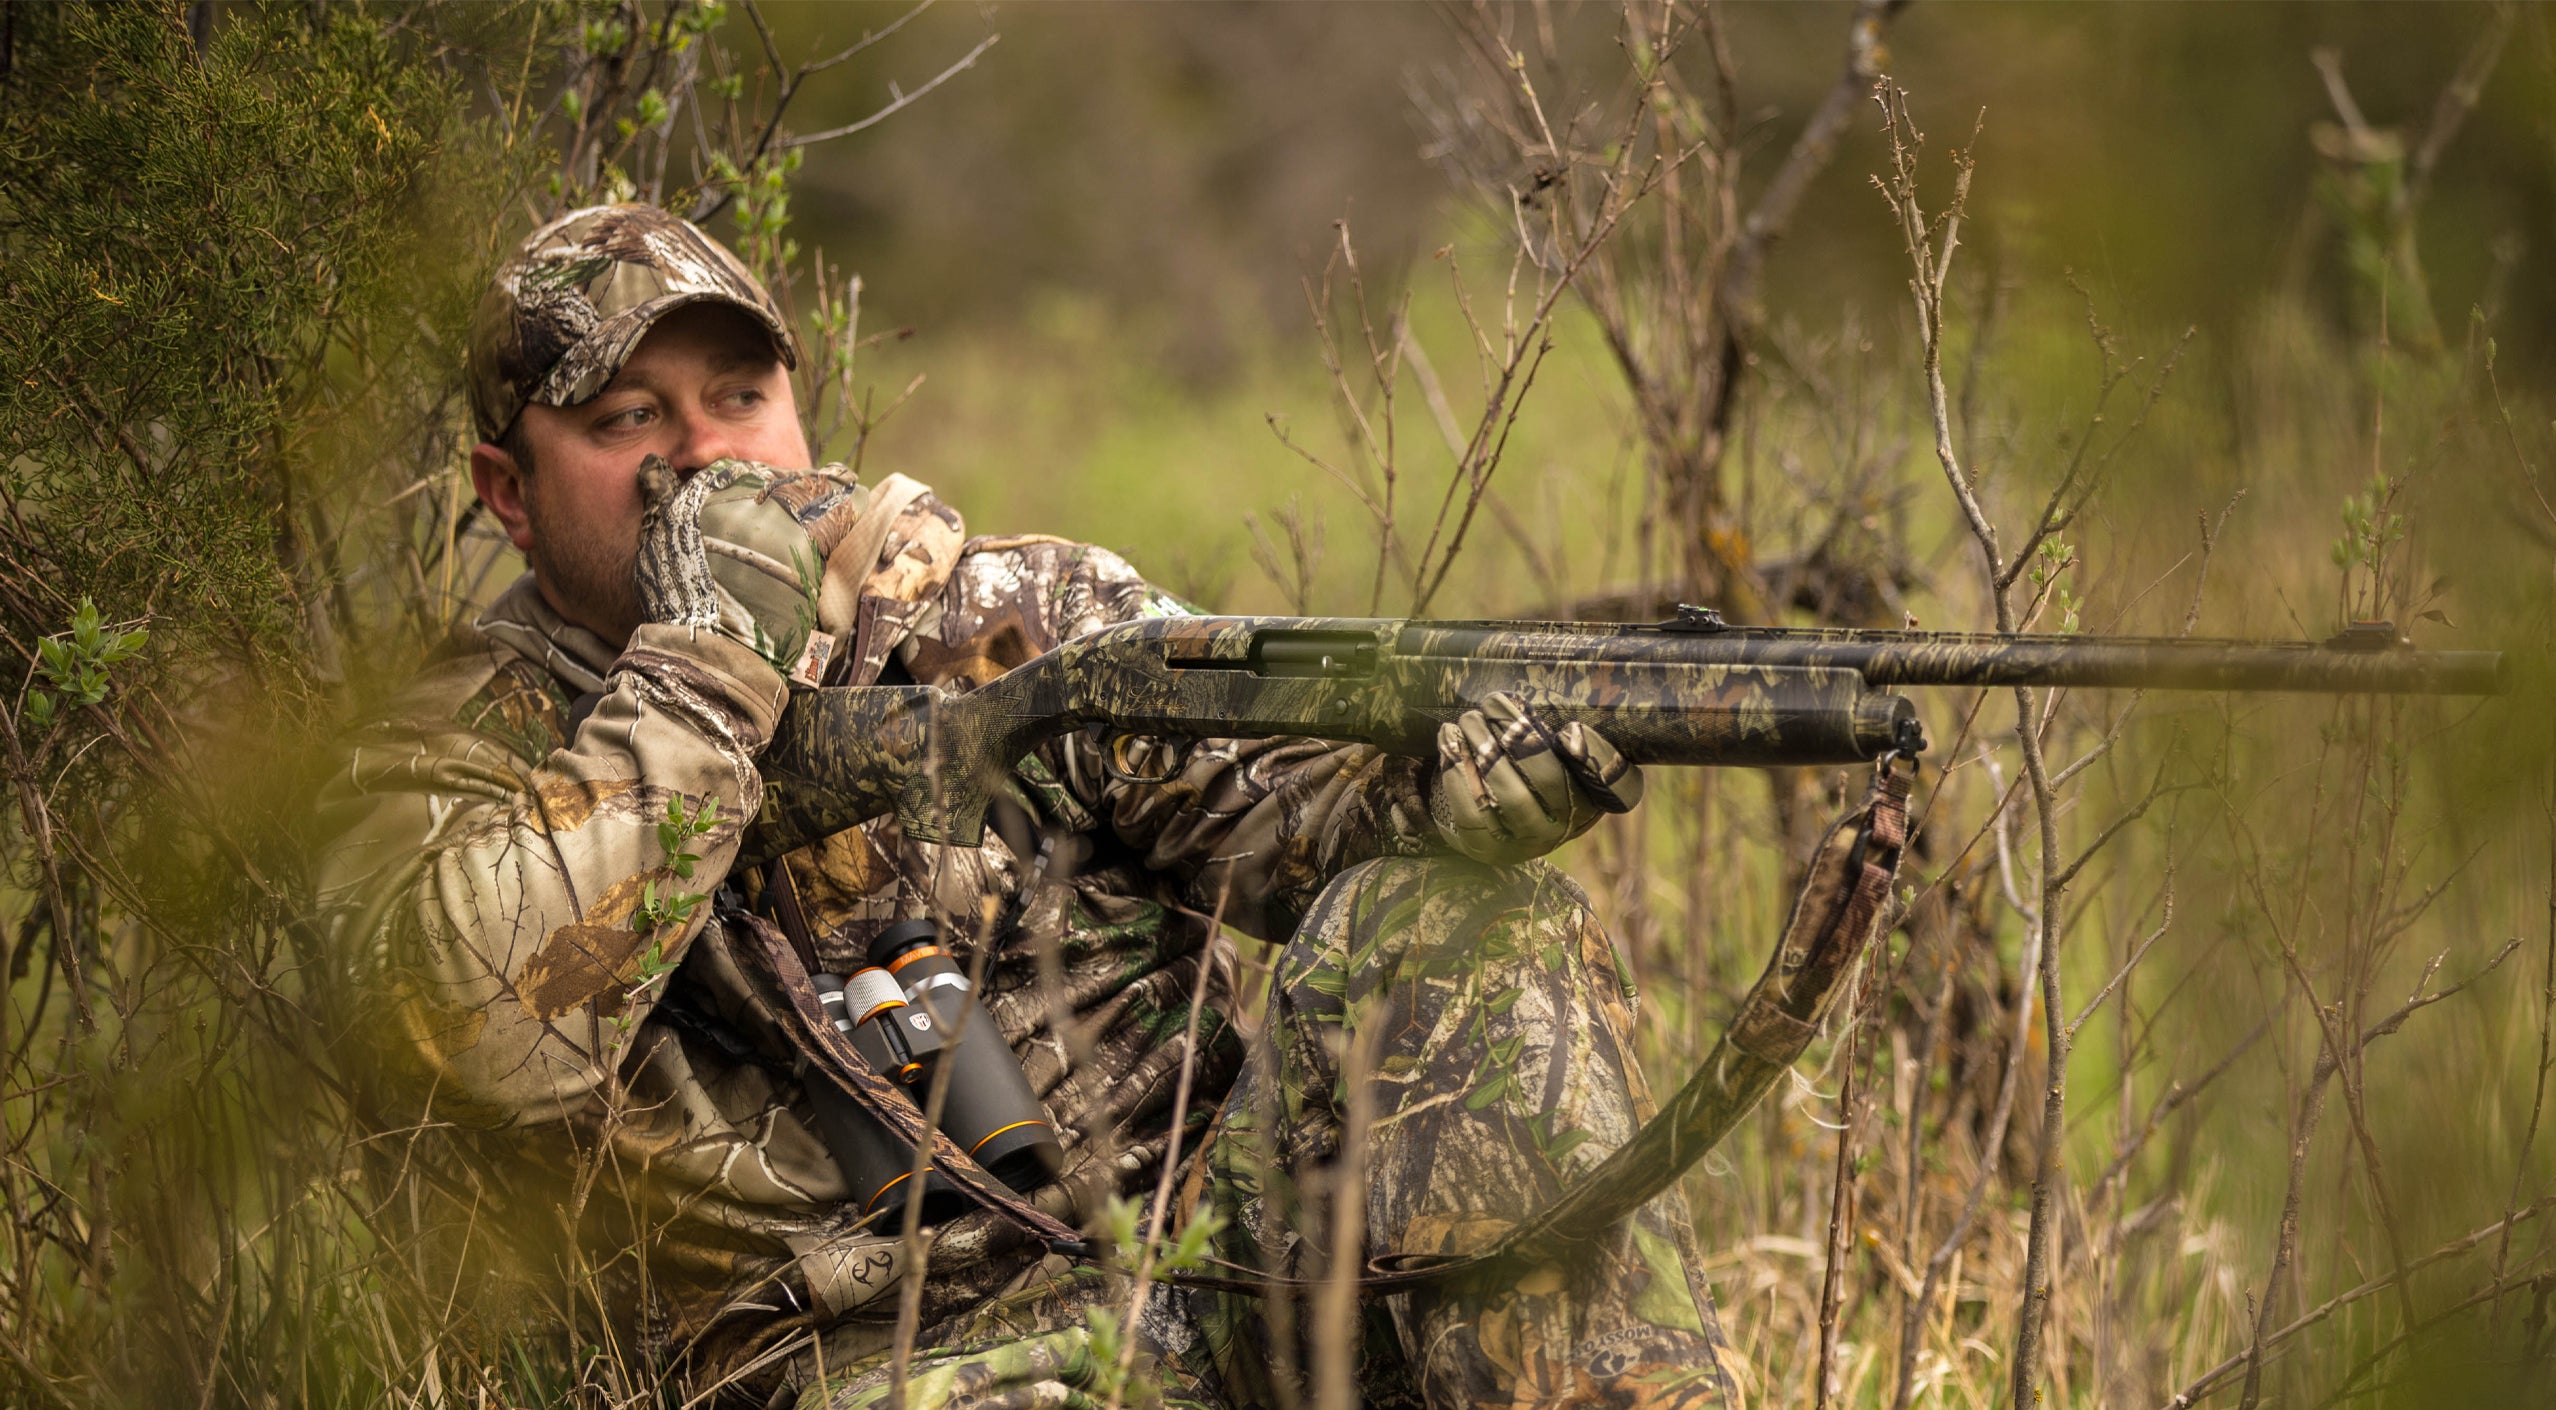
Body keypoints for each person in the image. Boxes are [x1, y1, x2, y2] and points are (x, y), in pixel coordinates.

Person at [314, 204, 1739, 1408]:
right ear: (508, 493)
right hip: (868, 1371)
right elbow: (480, 1034)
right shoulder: (445, 760)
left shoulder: (1002, 615)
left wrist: (1446, 796)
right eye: (629, 418)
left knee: (1455, 921)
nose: (708, 456)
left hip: (1209, 1286)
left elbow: (1301, 806)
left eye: (739, 398)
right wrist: (708, 672)